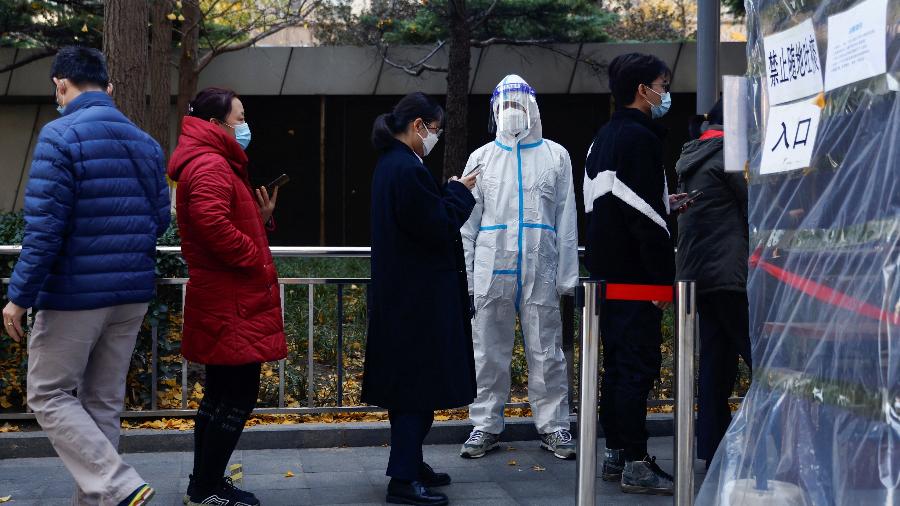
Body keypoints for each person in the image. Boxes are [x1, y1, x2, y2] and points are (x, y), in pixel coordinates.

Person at [1, 46, 169, 506]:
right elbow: (159, 219)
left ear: (61, 83)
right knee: (102, 402)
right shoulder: (145, 142)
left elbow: (45, 229)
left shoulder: (60, 136)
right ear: (107, 85)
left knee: (49, 394)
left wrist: (19, 296)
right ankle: (105, 499)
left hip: (76, 295)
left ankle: (119, 484)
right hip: (131, 293)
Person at [167, 87, 286, 506]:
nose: (244, 125)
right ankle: (206, 487)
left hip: (227, 298)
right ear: (216, 124)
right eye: (239, 118)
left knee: (221, 396)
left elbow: (217, 218)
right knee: (234, 395)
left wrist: (260, 218)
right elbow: (210, 222)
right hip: (230, 300)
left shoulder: (214, 162)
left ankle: (206, 483)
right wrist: (253, 255)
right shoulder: (212, 164)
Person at [362, 92, 478, 506]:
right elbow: (437, 225)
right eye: (435, 129)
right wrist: (459, 193)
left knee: (413, 390)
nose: (436, 137)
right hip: (417, 301)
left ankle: (411, 462)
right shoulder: (406, 169)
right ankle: (404, 479)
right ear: (418, 126)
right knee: (415, 392)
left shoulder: (393, 164)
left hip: (406, 297)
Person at [459, 75, 579, 460]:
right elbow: (467, 222)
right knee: (488, 349)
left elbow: (567, 218)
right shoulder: (481, 158)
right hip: (492, 265)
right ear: (495, 109)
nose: (512, 111)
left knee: (547, 349)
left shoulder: (556, 155)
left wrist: (567, 277)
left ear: (532, 107)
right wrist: (467, 278)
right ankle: (485, 424)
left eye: (518, 103)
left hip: (539, 264)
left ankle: (554, 425)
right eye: (505, 104)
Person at [582, 52, 682, 496]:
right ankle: (637, 461)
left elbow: (612, 207)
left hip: (608, 275)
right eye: (662, 84)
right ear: (643, 89)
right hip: (637, 278)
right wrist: (663, 281)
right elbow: (645, 219)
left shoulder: (601, 138)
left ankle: (617, 454)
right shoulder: (639, 140)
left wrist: (666, 203)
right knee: (637, 369)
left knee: (617, 369)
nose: (665, 93)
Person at [674, 99, 751, 470]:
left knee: (716, 364)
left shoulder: (694, 153)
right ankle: (779, 438)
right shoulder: (729, 154)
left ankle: (711, 447)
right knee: (759, 356)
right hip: (730, 274)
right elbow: (756, 206)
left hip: (699, 275)